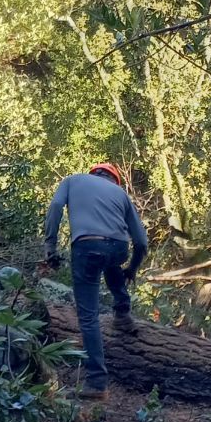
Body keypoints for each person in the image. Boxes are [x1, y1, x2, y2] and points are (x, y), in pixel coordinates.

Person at [44, 162, 148, 399]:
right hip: (118, 248)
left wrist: (50, 245)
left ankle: (97, 383)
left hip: (87, 246)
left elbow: (56, 206)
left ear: (94, 173)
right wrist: (131, 268)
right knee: (111, 261)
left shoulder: (72, 180)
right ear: (114, 180)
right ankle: (123, 312)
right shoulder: (121, 194)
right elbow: (141, 242)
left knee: (88, 317)